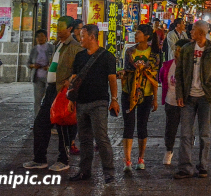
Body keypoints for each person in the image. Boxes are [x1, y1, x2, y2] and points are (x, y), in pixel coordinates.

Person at [25, 17, 81, 172]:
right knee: (41, 124)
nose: (58, 30)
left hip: (62, 91)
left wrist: (70, 81)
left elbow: (79, 71)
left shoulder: (75, 47)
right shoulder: (57, 45)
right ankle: (39, 158)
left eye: (61, 27)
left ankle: (64, 159)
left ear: (69, 29)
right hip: (51, 89)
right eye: (57, 26)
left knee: (63, 126)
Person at [174, 21, 211, 180]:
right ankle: (185, 167)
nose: (190, 32)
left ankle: (203, 166)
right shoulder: (187, 49)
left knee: (205, 134)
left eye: (194, 30)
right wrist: (180, 93)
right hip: (188, 97)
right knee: (185, 134)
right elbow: (180, 72)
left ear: (201, 33)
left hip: (205, 97)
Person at [69, 25, 119, 183]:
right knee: (84, 139)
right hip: (82, 102)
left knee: (101, 138)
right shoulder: (79, 56)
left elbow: (112, 79)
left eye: (82, 35)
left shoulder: (107, 57)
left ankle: (108, 172)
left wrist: (114, 100)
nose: (80, 38)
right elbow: (75, 79)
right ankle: (84, 171)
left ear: (92, 36)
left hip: (99, 102)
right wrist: (71, 99)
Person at [120, 23, 160, 173]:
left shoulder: (154, 54)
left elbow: (154, 78)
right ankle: (127, 160)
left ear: (147, 36)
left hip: (147, 94)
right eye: (136, 32)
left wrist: (156, 98)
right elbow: (126, 70)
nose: (136, 35)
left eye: (138, 33)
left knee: (142, 126)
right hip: (128, 93)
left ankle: (141, 158)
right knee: (128, 125)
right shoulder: (129, 51)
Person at [159, 40, 189, 166]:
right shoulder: (167, 65)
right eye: (176, 49)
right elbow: (161, 78)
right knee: (170, 129)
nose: (177, 53)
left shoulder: (190, 67)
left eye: (180, 50)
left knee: (187, 131)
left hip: (186, 104)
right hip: (170, 102)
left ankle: (186, 154)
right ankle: (169, 151)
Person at [27, 29, 55, 123]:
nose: (40, 38)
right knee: (37, 100)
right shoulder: (34, 50)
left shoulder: (51, 48)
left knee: (49, 99)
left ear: (46, 37)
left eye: (42, 36)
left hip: (49, 78)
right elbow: (28, 63)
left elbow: (55, 61)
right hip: (37, 77)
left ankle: (50, 120)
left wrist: (49, 67)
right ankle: (37, 121)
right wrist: (34, 66)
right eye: (38, 36)